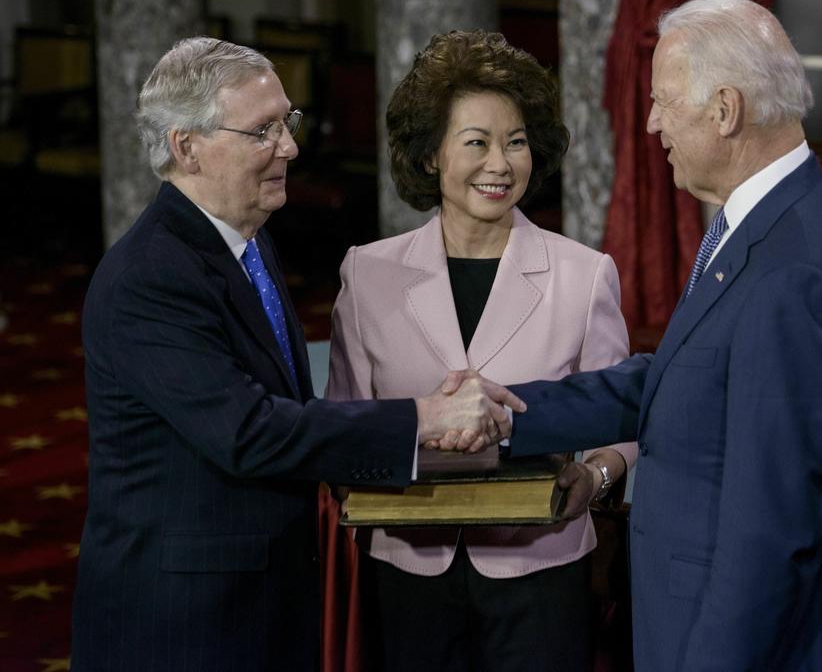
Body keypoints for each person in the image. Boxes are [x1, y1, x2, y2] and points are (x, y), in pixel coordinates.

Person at [71, 37, 520, 672]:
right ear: (185, 146)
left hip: (258, 600)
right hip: (183, 625)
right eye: (262, 130)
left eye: (288, 122)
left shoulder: (247, 242)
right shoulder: (149, 277)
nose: (290, 147)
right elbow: (249, 431)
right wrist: (423, 419)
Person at [502, 0, 822, 671]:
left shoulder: (794, 270)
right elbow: (683, 377)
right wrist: (508, 413)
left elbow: (766, 540)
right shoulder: (767, 223)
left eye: (663, 101)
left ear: (725, 110)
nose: (651, 123)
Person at [322, 30, 636, 672]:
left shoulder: (585, 275)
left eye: (516, 142)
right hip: (409, 568)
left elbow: (621, 424)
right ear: (432, 155)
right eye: (476, 142)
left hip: (540, 569)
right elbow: (343, 426)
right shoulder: (367, 273)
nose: (500, 163)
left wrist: (596, 477)